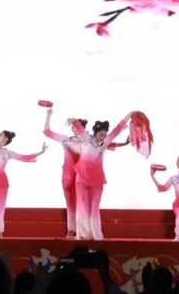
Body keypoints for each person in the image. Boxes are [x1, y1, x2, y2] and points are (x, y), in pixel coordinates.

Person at [43, 103, 128, 239]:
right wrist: (49, 114)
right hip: (70, 174)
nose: (76, 129)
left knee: (87, 204)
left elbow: (106, 141)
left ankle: (88, 232)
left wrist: (123, 143)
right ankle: (72, 230)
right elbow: (47, 132)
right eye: (74, 127)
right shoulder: (67, 139)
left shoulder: (88, 140)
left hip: (85, 175)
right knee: (72, 203)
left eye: (79, 127)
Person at [71, 113, 134, 241]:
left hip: (97, 179)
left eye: (105, 135)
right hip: (82, 178)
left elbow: (117, 130)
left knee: (94, 207)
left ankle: (96, 235)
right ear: (95, 132)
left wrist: (129, 115)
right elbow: (78, 126)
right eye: (101, 135)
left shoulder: (105, 142)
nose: (103, 137)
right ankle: (83, 235)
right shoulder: (86, 138)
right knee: (82, 206)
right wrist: (73, 121)